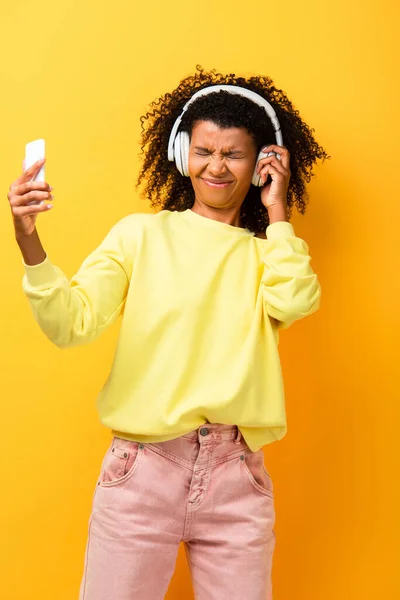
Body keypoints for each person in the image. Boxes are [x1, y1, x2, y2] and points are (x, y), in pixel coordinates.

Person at [7, 66, 328, 600]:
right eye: (204, 151)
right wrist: (28, 240)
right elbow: (71, 323)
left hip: (237, 477)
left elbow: (296, 300)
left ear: (262, 164)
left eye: (235, 154)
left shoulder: (267, 253)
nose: (217, 167)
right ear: (182, 155)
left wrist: (277, 212)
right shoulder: (141, 235)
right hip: (142, 472)